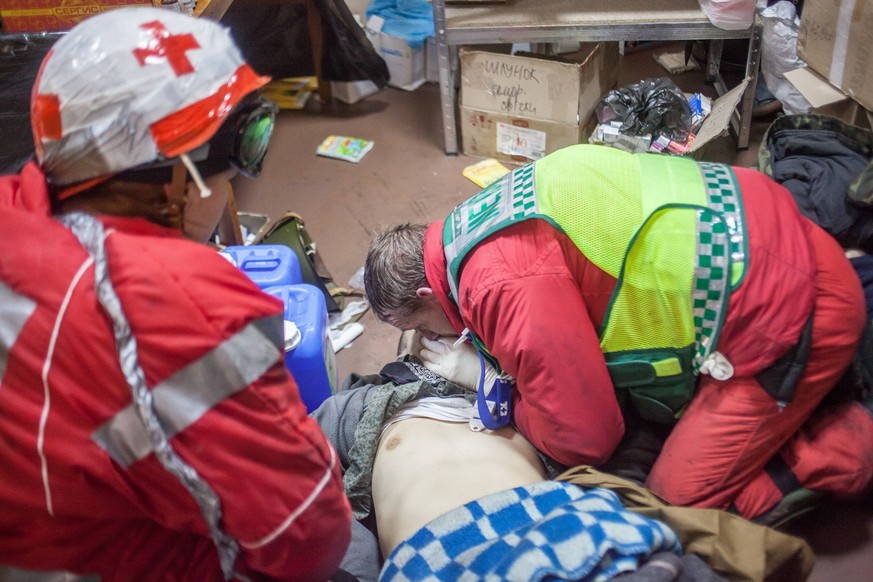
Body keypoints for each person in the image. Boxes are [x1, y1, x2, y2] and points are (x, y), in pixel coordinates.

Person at [0, 8, 350, 580]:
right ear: (178, 176)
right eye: (249, 144)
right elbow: (307, 538)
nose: (244, 173)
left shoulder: (12, 208)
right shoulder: (185, 306)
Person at [363, 143, 873, 521]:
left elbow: (585, 438)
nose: (437, 335)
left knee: (668, 512)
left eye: (422, 327)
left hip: (794, 315)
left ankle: (842, 443)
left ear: (428, 295)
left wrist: (493, 388)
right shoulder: (481, 216)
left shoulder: (499, 283)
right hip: (771, 235)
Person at [312, 334, 815, 581]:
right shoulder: (354, 407)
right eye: (421, 340)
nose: (435, 344)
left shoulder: (519, 390)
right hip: (442, 551)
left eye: (450, 333)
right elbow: (312, 488)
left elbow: (603, 430)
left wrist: (490, 379)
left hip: (556, 519)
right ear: (399, 356)